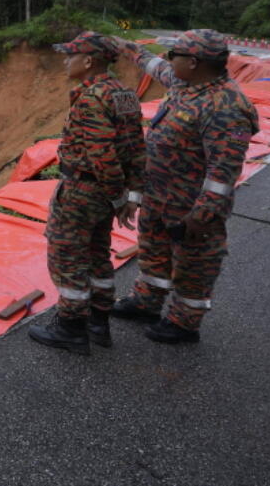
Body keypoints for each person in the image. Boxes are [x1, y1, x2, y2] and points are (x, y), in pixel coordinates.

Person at [105, 29, 258, 343]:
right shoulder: (184, 81)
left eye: (175, 56)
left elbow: (223, 174)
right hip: (159, 196)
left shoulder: (227, 107)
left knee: (193, 265)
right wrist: (125, 47)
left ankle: (184, 322)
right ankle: (147, 302)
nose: (168, 61)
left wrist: (200, 217)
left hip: (191, 208)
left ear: (194, 62)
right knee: (154, 252)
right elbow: (151, 64)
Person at [29, 32, 145, 355]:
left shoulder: (92, 98)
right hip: (107, 193)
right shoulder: (125, 94)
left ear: (89, 61)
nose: (66, 61)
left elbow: (102, 154)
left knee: (67, 256)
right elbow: (137, 147)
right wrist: (130, 194)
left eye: (71, 55)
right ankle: (98, 322)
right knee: (97, 254)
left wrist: (118, 197)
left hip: (83, 190)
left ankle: (70, 327)